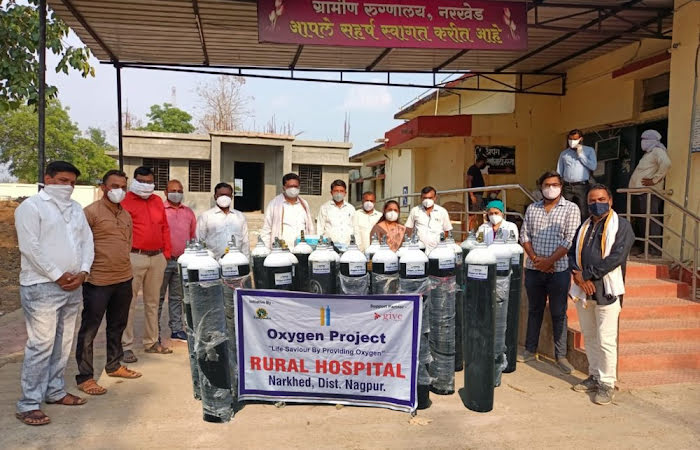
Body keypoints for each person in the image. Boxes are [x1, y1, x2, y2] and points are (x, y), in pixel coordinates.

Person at [14, 161, 94, 426]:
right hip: (42, 286)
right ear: (47, 179)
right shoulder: (31, 207)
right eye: (61, 180)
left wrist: (83, 272)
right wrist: (58, 275)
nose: (67, 187)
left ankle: (55, 391)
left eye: (71, 182)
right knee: (42, 345)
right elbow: (30, 247)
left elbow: (86, 242)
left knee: (63, 343)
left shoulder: (75, 208)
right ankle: (28, 403)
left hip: (73, 286)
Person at [76, 170, 142, 397]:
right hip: (97, 281)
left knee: (117, 326)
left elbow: (128, 243)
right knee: (89, 330)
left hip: (123, 278)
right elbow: (79, 244)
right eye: (114, 186)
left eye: (123, 186)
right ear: (104, 187)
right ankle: (85, 377)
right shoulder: (90, 213)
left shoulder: (125, 215)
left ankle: (114, 365)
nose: (119, 191)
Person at [568, 184, 634, 405]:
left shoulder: (622, 226)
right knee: (590, 336)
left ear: (610, 201)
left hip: (607, 290)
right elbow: (571, 252)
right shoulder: (584, 226)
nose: (597, 204)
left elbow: (616, 258)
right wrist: (578, 276)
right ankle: (594, 375)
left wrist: (587, 275)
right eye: (592, 201)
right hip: (584, 290)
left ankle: (607, 382)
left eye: (601, 199)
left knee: (606, 339)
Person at [519, 171, 580, 374]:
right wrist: (536, 260)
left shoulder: (571, 209)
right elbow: (524, 235)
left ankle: (560, 355)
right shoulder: (532, 208)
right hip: (535, 269)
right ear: (541, 186)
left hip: (559, 270)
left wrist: (549, 262)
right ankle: (530, 349)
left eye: (555, 184)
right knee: (535, 309)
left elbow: (569, 239)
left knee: (558, 313)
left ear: (561, 186)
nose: (551, 188)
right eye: (547, 184)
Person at [121, 166, 173, 362]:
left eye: (149, 182)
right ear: (134, 181)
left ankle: (151, 342)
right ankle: (125, 346)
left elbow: (164, 227)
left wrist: (166, 253)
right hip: (134, 256)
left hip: (157, 257)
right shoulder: (125, 201)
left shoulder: (157, 201)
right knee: (129, 303)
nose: (146, 185)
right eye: (141, 181)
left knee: (153, 302)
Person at [160, 180, 196, 343]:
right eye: (173, 190)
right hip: (162, 260)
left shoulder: (188, 212)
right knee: (158, 298)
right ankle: (155, 332)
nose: (176, 193)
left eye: (179, 190)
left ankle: (176, 329)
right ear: (166, 193)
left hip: (182, 261)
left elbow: (193, 235)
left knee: (177, 297)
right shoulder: (160, 210)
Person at [628, 129, 671, 257]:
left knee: (651, 221)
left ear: (652, 140)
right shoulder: (648, 154)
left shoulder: (658, 151)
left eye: (645, 140)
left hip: (648, 194)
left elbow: (667, 164)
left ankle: (654, 251)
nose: (643, 142)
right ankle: (643, 247)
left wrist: (654, 180)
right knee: (642, 222)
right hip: (639, 193)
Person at [260, 173, 315, 248]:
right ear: (284, 188)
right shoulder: (274, 204)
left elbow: (310, 227)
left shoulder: (304, 204)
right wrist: (266, 250)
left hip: (302, 249)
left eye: (295, 186)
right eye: (290, 186)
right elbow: (267, 229)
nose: (293, 189)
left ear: (299, 187)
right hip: (282, 251)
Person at [196, 182, 249, 260]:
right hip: (213, 263)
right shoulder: (205, 216)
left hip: (236, 262)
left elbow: (245, 242)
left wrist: (246, 261)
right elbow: (199, 241)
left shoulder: (240, 216)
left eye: (227, 195)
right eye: (221, 195)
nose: (224, 197)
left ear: (231, 197)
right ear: (215, 196)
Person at [557, 129, 597, 220]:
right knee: (565, 211)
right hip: (567, 186)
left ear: (580, 139)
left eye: (575, 139)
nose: (572, 142)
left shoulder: (589, 150)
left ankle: (583, 231)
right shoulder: (564, 154)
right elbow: (559, 171)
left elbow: (593, 166)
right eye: (570, 139)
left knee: (583, 211)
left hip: (582, 186)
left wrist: (581, 155)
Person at [405, 186, 453, 254]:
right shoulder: (415, 210)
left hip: (437, 250)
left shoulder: (442, 211)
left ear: (435, 198)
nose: (427, 200)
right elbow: (408, 229)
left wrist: (440, 244)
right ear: (421, 198)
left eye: (430, 198)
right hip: (419, 250)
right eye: (425, 198)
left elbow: (446, 231)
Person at [317, 179, 355, 248]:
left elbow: (355, 228)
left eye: (341, 191)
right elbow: (320, 229)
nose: (339, 193)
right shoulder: (324, 208)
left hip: (347, 247)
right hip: (329, 247)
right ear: (331, 192)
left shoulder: (351, 208)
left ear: (345, 193)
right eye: (336, 191)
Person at [466, 157, 487, 230]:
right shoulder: (473, 168)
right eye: (483, 162)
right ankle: (469, 233)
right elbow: (469, 181)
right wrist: (471, 195)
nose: (483, 164)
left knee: (478, 214)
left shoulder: (477, 169)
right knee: (472, 215)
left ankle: (478, 231)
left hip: (478, 195)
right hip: (475, 195)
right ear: (480, 161)